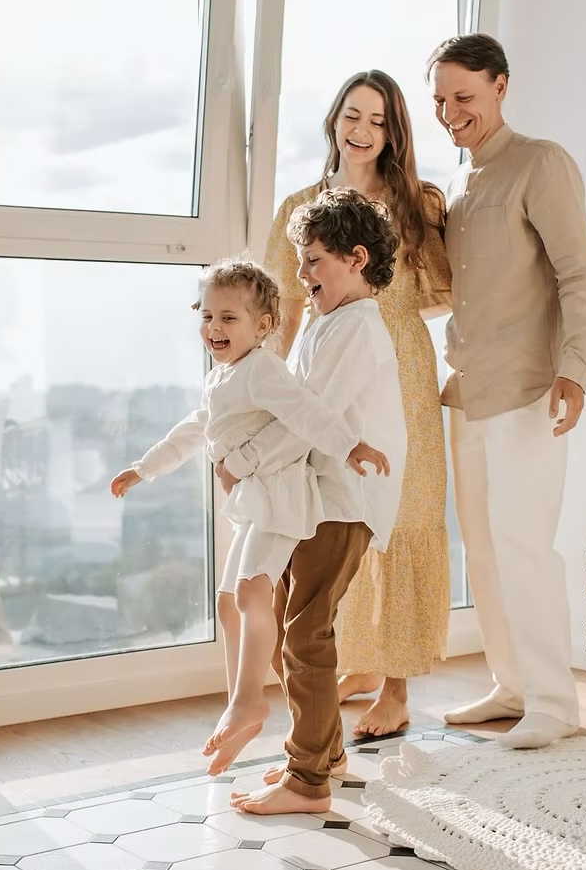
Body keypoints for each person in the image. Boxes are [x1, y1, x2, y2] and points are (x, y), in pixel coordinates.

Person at [109, 259, 389, 775]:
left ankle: (249, 702)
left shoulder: (262, 369)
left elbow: (307, 414)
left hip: (281, 500)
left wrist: (350, 447)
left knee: (253, 593)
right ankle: (240, 701)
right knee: (225, 602)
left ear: (262, 326)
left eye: (229, 318)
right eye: (207, 315)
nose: (214, 328)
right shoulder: (224, 375)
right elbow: (196, 428)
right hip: (253, 503)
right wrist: (143, 469)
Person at [427, 33, 586, 749]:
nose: (450, 112)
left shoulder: (541, 164)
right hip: (466, 392)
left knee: (523, 543)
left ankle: (555, 705)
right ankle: (511, 685)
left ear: (501, 86)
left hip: (530, 388)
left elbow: (580, 275)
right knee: (483, 547)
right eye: (440, 100)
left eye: (463, 97)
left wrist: (576, 368)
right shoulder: (463, 191)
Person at [262, 69, 451, 740]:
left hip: (401, 369)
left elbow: (450, 292)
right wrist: (276, 396)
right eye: (352, 114)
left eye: (377, 121)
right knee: (339, 519)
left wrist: (454, 364)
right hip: (329, 369)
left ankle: (395, 690)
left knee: (402, 516)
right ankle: (363, 663)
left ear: (394, 133)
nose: (361, 131)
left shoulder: (418, 204)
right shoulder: (300, 206)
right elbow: (285, 309)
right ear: (334, 120)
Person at [220, 187, 408, 815]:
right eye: (300, 263)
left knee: (305, 633)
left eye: (313, 261)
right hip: (314, 495)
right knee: (283, 627)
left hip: (345, 499)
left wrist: (242, 463)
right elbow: (289, 405)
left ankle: (308, 780)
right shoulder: (327, 324)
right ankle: (320, 754)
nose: (301, 275)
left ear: (356, 259)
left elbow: (309, 418)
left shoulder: (356, 328)